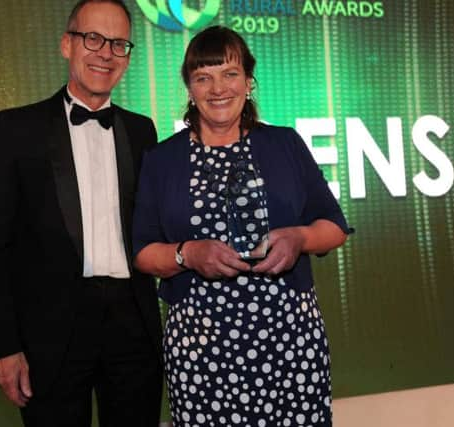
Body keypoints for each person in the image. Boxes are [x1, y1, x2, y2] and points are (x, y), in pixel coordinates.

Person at [133, 26, 352, 426]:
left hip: (291, 342)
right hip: (200, 352)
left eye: (229, 74)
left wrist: (300, 237)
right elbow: (144, 252)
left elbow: (334, 226)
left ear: (248, 81)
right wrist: (188, 253)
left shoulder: (285, 144)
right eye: (203, 77)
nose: (218, 88)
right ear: (189, 87)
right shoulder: (162, 160)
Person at [0, 1, 162, 426]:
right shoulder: (18, 128)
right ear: (66, 45)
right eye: (92, 38)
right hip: (50, 333)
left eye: (118, 43)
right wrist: (4, 346)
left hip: (133, 327)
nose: (105, 53)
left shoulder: (141, 130)